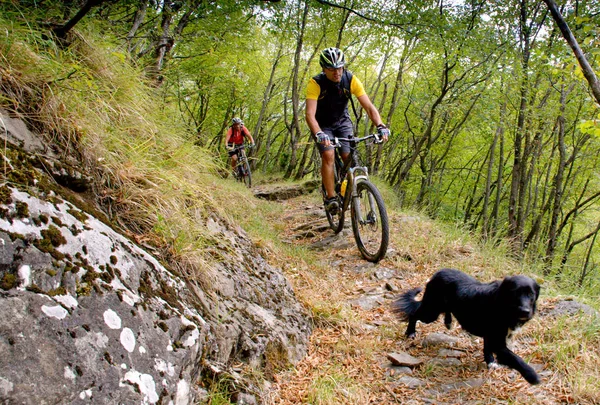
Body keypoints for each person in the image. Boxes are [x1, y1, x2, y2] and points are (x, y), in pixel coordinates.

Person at [305, 47, 390, 213]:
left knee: (348, 157)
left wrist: (380, 125)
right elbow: (309, 114)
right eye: (331, 69)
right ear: (324, 69)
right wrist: (319, 133)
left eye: (339, 68)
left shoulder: (350, 79)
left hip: (342, 122)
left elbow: (369, 107)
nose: (336, 72)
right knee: (328, 154)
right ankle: (330, 198)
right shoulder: (315, 83)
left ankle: (347, 189)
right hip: (322, 125)